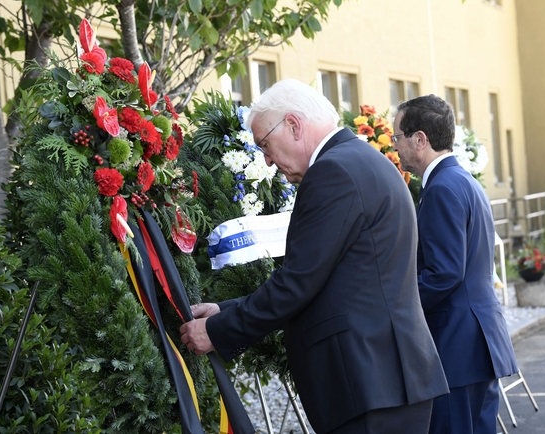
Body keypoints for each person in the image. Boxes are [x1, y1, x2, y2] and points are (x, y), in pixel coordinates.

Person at [180, 79, 448, 434]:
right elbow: (330, 280)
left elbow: (298, 282)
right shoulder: (362, 159)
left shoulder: (332, 171)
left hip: (369, 383)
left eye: (265, 145)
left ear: (293, 125)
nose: (268, 161)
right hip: (386, 379)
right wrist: (224, 310)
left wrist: (218, 330)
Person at [393, 95, 518, 434]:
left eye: (398, 138)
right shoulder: (465, 181)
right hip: (477, 342)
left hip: (457, 345)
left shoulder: (442, 188)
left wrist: (395, 306)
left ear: (420, 140)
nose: (395, 146)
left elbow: (444, 273)